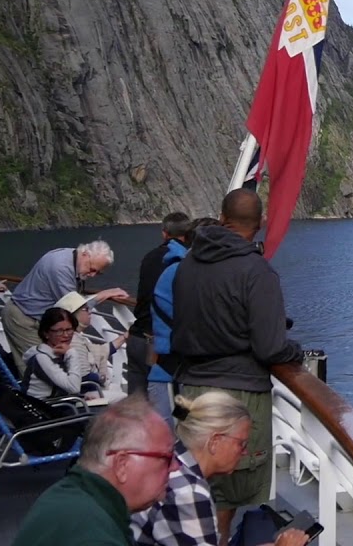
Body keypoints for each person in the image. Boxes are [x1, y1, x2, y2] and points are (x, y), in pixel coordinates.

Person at [172, 189, 302, 543]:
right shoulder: (257, 272)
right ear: (260, 224)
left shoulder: (188, 263)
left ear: (221, 216)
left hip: (191, 391)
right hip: (237, 395)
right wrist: (296, 350)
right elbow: (270, 346)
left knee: (194, 486)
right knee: (225, 500)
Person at [131, 391, 308, 546]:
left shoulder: (174, 460)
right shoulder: (189, 492)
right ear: (215, 442)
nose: (245, 452)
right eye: (241, 444)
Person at [11, 395, 177, 546]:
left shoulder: (70, 495)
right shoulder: (93, 536)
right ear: (122, 465)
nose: (176, 466)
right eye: (167, 457)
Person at [3, 240, 129, 375]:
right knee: (38, 372)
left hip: (38, 320)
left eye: (97, 273)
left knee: (45, 366)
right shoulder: (61, 268)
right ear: (85, 254)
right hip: (23, 319)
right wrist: (104, 294)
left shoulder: (71, 257)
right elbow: (72, 305)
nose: (92, 275)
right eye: (92, 269)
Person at [149, 216, 218, 423]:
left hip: (175, 374)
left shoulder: (177, 271)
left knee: (182, 440)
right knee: (177, 441)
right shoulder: (183, 275)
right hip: (174, 377)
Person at [128, 213, 192, 395]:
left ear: (164, 233)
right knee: (163, 410)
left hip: (137, 337)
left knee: (135, 409)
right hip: (158, 347)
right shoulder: (184, 263)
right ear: (188, 235)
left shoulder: (149, 258)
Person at [59, 291, 128, 394]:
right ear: (73, 316)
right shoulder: (73, 341)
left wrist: (125, 336)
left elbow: (103, 351)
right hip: (88, 394)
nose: (90, 311)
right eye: (86, 309)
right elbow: (84, 376)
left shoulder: (75, 337)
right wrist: (102, 378)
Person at [22, 307, 91, 400]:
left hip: (60, 402)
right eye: (59, 331)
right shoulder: (42, 357)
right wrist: (72, 354)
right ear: (46, 333)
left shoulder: (61, 353)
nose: (66, 335)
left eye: (69, 330)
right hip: (42, 408)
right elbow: (73, 388)